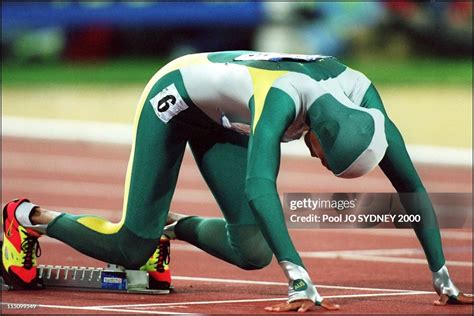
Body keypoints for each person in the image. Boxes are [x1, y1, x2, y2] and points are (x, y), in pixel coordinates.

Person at [2, 51, 471, 312]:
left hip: (224, 116)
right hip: (176, 101)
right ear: (327, 133)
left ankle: (165, 225)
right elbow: (259, 187)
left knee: (251, 252)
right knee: (128, 250)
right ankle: (25, 218)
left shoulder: (366, 104)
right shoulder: (283, 98)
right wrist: (299, 278)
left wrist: (440, 274)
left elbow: (413, 191)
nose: (316, 158)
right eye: (326, 159)